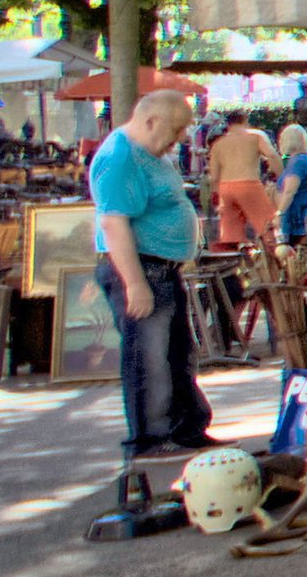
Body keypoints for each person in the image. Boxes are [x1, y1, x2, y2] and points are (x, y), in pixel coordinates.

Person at [90, 86, 219, 463]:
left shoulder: (147, 153)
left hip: (161, 267)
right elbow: (114, 224)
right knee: (148, 358)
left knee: (177, 353)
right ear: (151, 121)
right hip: (142, 267)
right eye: (177, 130)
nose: (181, 139)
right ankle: (150, 437)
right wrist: (134, 283)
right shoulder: (121, 157)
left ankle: (187, 427)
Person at [200, 111, 278, 248]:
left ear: (228, 124)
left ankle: (232, 265)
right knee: (269, 228)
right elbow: (272, 155)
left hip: (226, 188)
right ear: (245, 122)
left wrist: (215, 194)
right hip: (249, 184)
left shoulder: (218, 143)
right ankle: (278, 260)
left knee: (231, 236)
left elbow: (215, 176)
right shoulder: (256, 136)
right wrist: (281, 175)